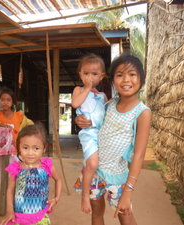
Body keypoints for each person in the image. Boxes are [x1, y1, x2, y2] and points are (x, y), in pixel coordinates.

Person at [74, 53, 152, 225]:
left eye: (132, 74)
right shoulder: (108, 104)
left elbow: (138, 156)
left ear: (141, 78)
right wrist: (80, 120)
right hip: (95, 173)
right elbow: (92, 122)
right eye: (119, 75)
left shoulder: (142, 112)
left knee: (126, 215)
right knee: (96, 214)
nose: (126, 80)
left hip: (117, 176)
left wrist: (128, 191)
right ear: (112, 80)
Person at [0, 123, 62, 225]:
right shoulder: (16, 168)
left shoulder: (46, 166)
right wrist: (9, 210)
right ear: (19, 148)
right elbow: (10, 190)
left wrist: (56, 198)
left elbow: (58, 179)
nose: (30, 153)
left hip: (40, 216)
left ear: (44, 148)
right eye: (25, 148)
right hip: (19, 216)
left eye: (36, 148)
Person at [71, 53, 107, 214]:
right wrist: (86, 88)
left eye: (94, 74)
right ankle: (85, 195)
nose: (90, 77)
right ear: (80, 75)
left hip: (101, 134)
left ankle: (92, 181)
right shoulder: (78, 89)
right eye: (86, 74)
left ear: (102, 76)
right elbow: (75, 103)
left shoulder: (103, 96)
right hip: (88, 133)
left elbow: (105, 117)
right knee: (92, 164)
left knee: (94, 164)